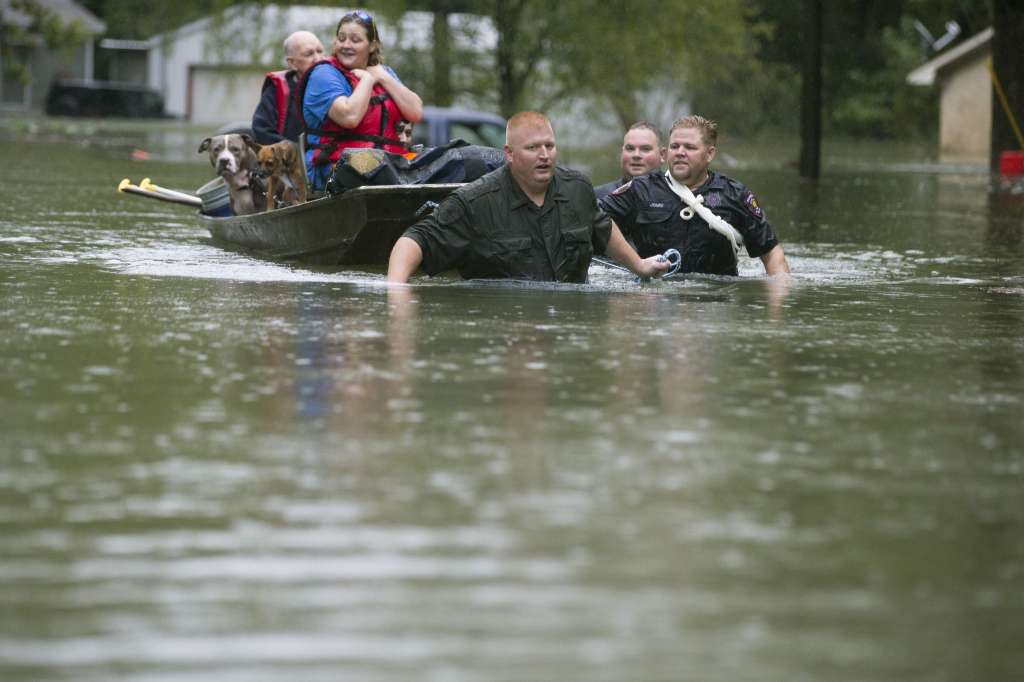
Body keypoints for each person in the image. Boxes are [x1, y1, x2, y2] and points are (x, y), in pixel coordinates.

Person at [387, 111, 670, 283]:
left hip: (568, 324)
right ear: (509, 154)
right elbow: (415, 239)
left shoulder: (577, 189)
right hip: (506, 325)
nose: (545, 155)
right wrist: (396, 291)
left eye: (550, 146)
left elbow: (604, 229)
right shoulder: (477, 200)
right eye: (533, 148)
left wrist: (640, 265)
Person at [600, 115, 790, 276]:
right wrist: (637, 265)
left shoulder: (735, 195)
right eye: (675, 146)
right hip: (654, 305)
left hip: (716, 307)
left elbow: (772, 254)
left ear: (709, 154)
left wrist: (777, 312)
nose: (680, 153)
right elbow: (597, 218)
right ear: (666, 153)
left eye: (689, 147)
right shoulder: (641, 189)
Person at [298, 10, 423, 192]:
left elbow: (415, 112)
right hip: (336, 169)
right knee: (377, 170)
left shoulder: (383, 73)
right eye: (341, 38)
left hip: (389, 165)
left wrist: (383, 77)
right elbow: (350, 117)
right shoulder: (323, 74)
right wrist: (367, 80)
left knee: (459, 159)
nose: (346, 45)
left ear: (372, 46)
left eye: (355, 40)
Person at [251, 31, 325, 145]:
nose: (318, 58)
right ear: (292, 63)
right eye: (309, 54)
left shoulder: (337, 83)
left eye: (320, 51)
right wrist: (294, 152)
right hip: (291, 159)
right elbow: (262, 131)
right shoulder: (277, 90)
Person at [593, 121, 665, 203]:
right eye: (630, 148)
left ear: (662, 155)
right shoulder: (598, 197)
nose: (636, 155)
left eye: (645, 149)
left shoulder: (677, 196)